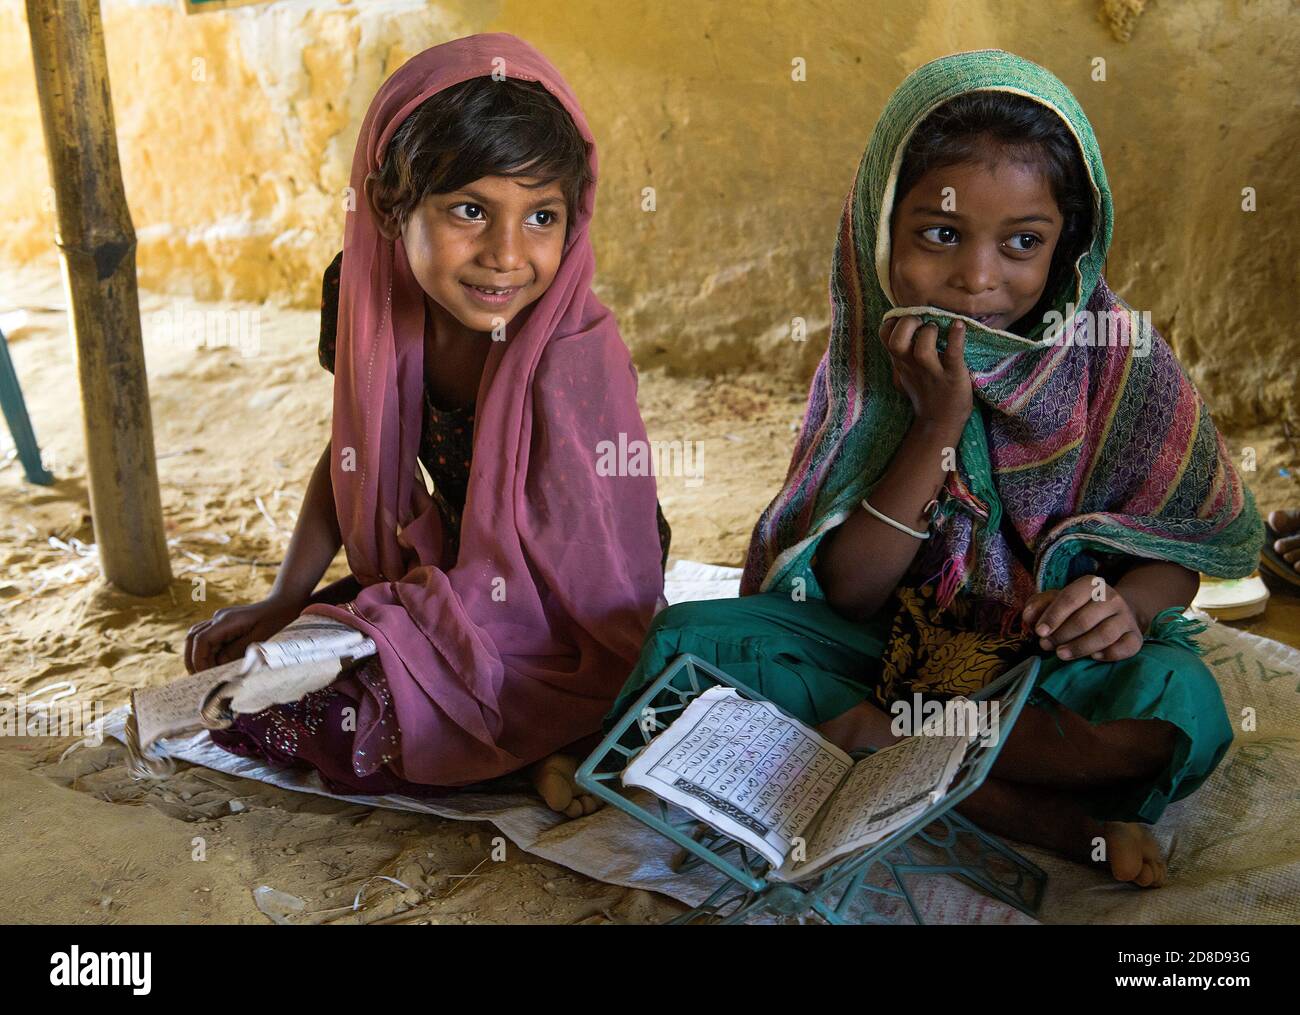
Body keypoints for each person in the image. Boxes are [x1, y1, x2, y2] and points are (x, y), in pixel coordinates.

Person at [609, 50, 1264, 886]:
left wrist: (1125, 604)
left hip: (1040, 672)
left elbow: (1180, 545)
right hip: (886, 653)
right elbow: (846, 594)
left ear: (1071, 245)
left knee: (1181, 705)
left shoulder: (1118, 357)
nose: (978, 279)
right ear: (881, 224)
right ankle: (1028, 811)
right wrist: (936, 426)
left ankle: (888, 754)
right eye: (941, 234)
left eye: (1023, 242)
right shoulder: (868, 366)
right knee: (687, 644)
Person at [184, 34, 669, 817]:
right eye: (470, 211)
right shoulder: (363, 291)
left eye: (541, 215)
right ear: (387, 205)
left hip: (570, 586)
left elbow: (601, 574)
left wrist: (439, 623)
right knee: (253, 695)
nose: (507, 256)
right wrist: (286, 597)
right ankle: (520, 739)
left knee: (357, 716)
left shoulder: (571, 349)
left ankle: (546, 743)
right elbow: (354, 450)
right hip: (448, 549)